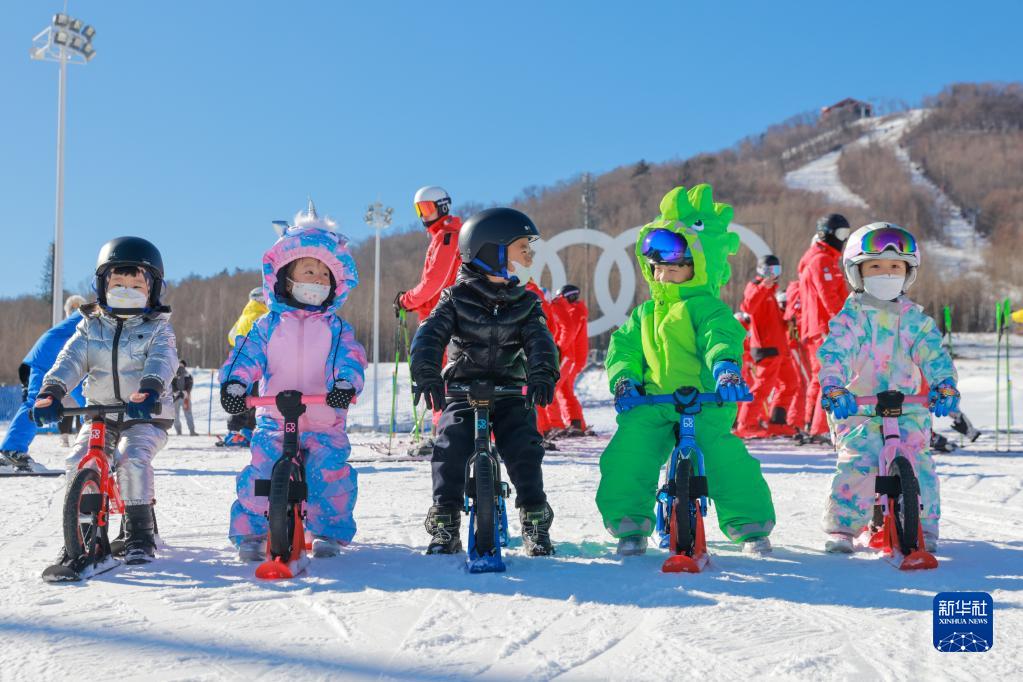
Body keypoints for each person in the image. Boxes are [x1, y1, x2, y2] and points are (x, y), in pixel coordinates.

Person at [596, 185, 776, 557]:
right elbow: (624, 348)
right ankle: (629, 523)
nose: (663, 274)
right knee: (629, 453)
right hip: (653, 402)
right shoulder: (644, 313)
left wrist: (726, 370)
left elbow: (720, 339)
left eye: (675, 267)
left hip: (705, 402)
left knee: (726, 460)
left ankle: (750, 525)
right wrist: (625, 379)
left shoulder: (707, 309)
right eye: (657, 267)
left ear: (699, 266)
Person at [410, 207, 560, 557]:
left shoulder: (525, 303)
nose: (529, 254)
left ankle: (534, 516)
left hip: (510, 389)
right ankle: (446, 518)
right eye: (522, 246)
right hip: (464, 388)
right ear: (492, 250)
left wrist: (541, 373)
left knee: (524, 446)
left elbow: (541, 342)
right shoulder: (454, 299)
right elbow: (429, 336)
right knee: (450, 446)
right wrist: (428, 373)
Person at [220, 205, 366, 560]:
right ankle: (252, 532)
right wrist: (236, 385)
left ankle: (328, 530)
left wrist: (345, 385)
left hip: (323, 418)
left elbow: (350, 358)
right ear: (287, 278)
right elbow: (246, 355)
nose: (315, 280)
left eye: (323, 275)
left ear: (335, 285)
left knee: (328, 473)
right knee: (261, 472)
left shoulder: (336, 329)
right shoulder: (268, 326)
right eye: (308, 271)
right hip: (274, 416)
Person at [31, 237, 178, 571]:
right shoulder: (90, 326)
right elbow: (70, 360)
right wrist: (51, 391)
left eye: (136, 285)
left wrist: (150, 389)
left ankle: (139, 533)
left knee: (130, 457)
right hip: (99, 414)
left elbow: (163, 361)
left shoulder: (158, 329)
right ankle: (81, 534)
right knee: (76, 458)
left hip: (145, 415)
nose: (126, 290)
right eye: (118, 284)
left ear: (153, 289)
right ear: (102, 285)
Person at [818, 222, 958, 553]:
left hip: (909, 407)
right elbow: (835, 352)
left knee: (919, 460)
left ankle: (923, 525)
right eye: (876, 266)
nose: (886, 273)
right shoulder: (850, 319)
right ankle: (844, 527)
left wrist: (944, 384)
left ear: (908, 272)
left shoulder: (914, 320)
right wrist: (835, 386)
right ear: (857, 272)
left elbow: (934, 352)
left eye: (895, 267)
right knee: (860, 460)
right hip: (860, 409)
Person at [395, 186, 464, 455]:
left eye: (428, 209)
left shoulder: (448, 237)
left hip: (446, 320)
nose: (423, 216)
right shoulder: (441, 237)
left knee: (440, 375)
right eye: (419, 210)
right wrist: (417, 303)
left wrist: (408, 300)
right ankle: (445, 431)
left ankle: (445, 434)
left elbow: (435, 283)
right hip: (442, 314)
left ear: (444, 206)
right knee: (441, 374)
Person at [0, 295, 87, 471]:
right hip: (56, 357)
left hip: (51, 355)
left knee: (89, 401)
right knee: (91, 401)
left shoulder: (96, 311)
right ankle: (11, 451)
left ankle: (11, 450)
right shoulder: (98, 311)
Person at [797, 213, 851, 440]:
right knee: (828, 376)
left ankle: (812, 425)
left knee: (821, 377)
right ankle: (819, 427)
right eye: (840, 234)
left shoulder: (822, 259)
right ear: (826, 234)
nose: (843, 239)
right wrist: (846, 323)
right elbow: (829, 297)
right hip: (824, 328)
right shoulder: (821, 261)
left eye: (846, 235)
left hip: (820, 327)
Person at [735, 255, 801, 438]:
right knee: (763, 386)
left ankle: (777, 422)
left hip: (780, 348)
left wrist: (786, 320)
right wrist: (762, 287)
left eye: (777, 271)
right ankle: (745, 424)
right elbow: (747, 307)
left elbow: (771, 320)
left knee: (790, 383)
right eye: (769, 271)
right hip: (766, 347)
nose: (773, 275)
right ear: (761, 271)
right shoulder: (755, 287)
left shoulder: (771, 293)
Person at [220, 287, 269, 447]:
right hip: (256, 363)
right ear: (262, 300)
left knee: (242, 396)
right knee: (253, 398)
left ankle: (235, 431)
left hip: (241, 363)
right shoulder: (262, 316)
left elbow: (231, 336)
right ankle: (241, 432)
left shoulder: (244, 316)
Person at [549, 284, 592, 437]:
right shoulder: (577, 311)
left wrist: (558, 348)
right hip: (573, 356)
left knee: (554, 388)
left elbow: (568, 332)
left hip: (568, 356)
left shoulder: (574, 312)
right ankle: (575, 422)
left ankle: (555, 424)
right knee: (564, 389)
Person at [172, 360, 197, 436]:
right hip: (176, 398)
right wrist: (175, 391)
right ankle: (179, 431)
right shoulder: (173, 375)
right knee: (175, 415)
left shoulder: (188, 375)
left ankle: (192, 431)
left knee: (188, 414)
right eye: (179, 365)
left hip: (185, 398)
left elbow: (190, 384)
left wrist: (185, 392)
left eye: (181, 365)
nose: (180, 367)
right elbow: (171, 384)